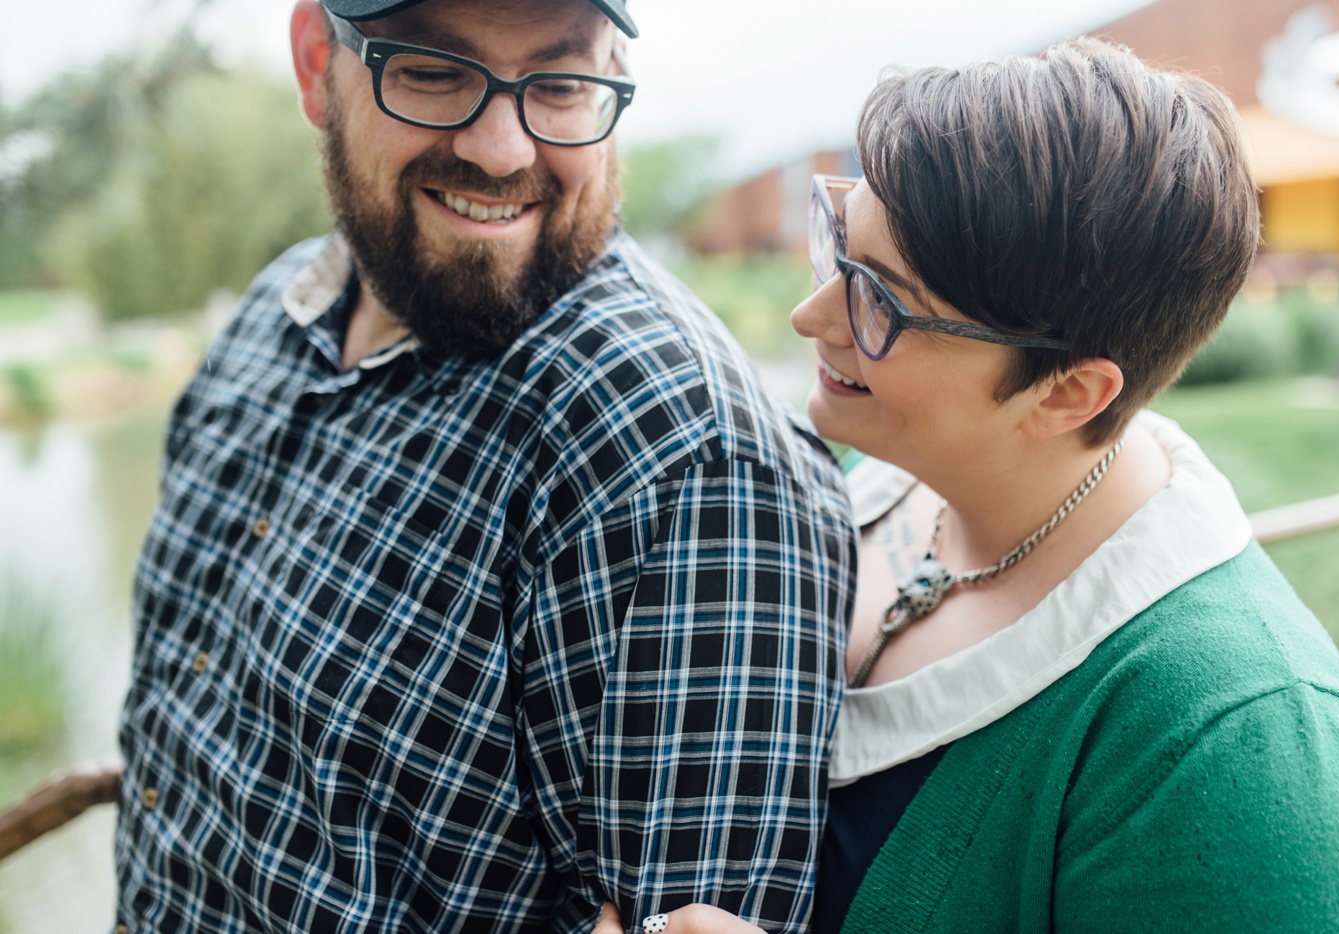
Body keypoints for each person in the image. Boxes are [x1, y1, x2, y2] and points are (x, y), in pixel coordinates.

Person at [595, 37, 1339, 934]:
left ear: (1068, 394)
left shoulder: (1246, 745)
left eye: (879, 301)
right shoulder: (872, 482)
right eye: (838, 246)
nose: (809, 316)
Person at [112, 0, 856, 930]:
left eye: (559, 84)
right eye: (433, 73)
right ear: (316, 64)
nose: (502, 150)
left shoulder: (681, 462)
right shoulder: (276, 310)